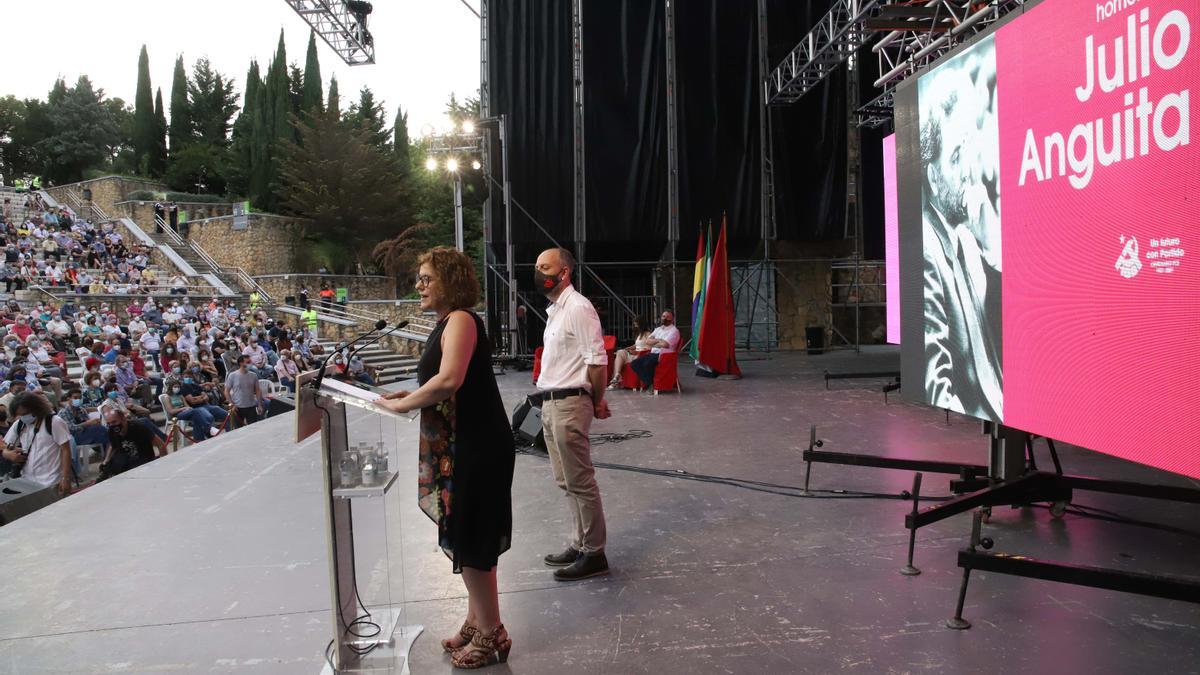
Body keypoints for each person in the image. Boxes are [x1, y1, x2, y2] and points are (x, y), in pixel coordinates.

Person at [375, 247, 515, 668]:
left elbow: (450, 380)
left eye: (426, 278)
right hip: (461, 443)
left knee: (472, 538)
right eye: (418, 279)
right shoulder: (445, 323)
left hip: (476, 445)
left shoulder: (461, 320)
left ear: (450, 281)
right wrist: (409, 395)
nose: (419, 286)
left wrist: (406, 406)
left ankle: (492, 634)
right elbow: (439, 379)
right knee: (463, 532)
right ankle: (477, 619)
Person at [918, 48, 1002, 421]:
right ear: (933, 177)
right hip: (971, 422)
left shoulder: (968, 239)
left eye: (966, 150)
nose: (968, 170)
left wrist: (993, 250)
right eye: (955, 157)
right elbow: (936, 385)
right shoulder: (925, 249)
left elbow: (1003, 337)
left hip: (1000, 406)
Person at [532, 247, 612, 581]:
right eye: (536, 266)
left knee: (580, 481)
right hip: (551, 402)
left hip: (570, 402)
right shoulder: (555, 312)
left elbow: (596, 360)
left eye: (545, 266)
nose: (538, 272)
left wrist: (595, 400)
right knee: (566, 481)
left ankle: (594, 553)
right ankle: (579, 543)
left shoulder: (578, 308)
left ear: (564, 272)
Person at [1, 391, 71, 495]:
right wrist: (7, 453)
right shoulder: (20, 424)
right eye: (19, 415)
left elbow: (66, 450)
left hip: (51, 481)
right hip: (27, 480)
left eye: (25, 414)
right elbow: (3, 444)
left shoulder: (54, 422)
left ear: (36, 409)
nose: (22, 417)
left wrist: (65, 478)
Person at [100, 407, 164, 479]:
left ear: (124, 419)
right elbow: (113, 445)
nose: (112, 425)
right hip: (125, 462)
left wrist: (162, 464)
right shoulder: (111, 431)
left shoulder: (138, 427)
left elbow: (160, 444)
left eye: (114, 422)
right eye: (109, 423)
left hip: (143, 461)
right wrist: (106, 460)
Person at [628, 310, 681, 390]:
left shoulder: (674, 331)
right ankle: (651, 383)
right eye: (663, 316)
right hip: (652, 353)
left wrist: (654, 343)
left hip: (663, 355)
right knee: (634, 363)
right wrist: (659, 340)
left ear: (672, 319)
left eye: (668, 317)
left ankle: (651, 385)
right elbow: (647, 341)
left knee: (647, 364)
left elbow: (665, 345)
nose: (665, 318)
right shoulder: (658, 329)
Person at [608, 315, 653, 389]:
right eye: (634, 324)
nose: (635, 326)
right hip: (634, 354)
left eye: (636, 324)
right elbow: (637, 344)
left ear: (641, 324)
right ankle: (617, 375)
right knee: (620, 352)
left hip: (640, 356)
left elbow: (649, 348)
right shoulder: (640, 334)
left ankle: (615, 380)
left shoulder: (648, 334)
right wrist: (628, 348)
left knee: (620, 356)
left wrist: (636, 352)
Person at [224, 355, 264, 427]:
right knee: (239, 430)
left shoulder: (253, 375)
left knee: (254, 428)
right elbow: (227, 391)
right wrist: (231, 404)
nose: (250, 363)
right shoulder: (232, 375)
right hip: (237, 407)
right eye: (248, 362)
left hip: (251, 406)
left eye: (250, 361)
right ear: (241, 363)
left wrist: (259, 404)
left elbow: (258, 390)